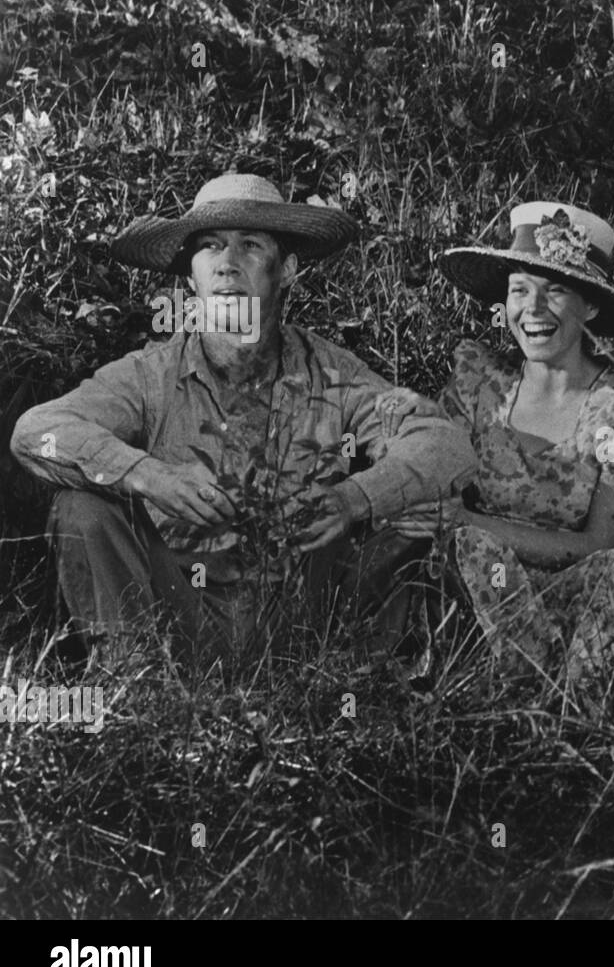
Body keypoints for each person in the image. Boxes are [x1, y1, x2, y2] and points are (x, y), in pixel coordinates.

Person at [9, 174, 477, 669]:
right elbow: (36, 430)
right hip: (176, 608)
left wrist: (353, 499)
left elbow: (446, 445)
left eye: (249, 246)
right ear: (191, 275)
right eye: (211, 247)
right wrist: (150, 476)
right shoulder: (150, 376)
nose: (228, 264)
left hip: (303, 612)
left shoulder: (335, 374)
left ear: (287, 269)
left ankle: (361, 676)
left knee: (421, 511)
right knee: (81, 507)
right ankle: (139, 683)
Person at [377, 202, 614, 714]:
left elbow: (600, 544)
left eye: (555, 291)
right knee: (470, 548)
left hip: (569, 600)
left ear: (590, 307)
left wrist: (470, 520)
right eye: (520, 289)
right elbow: (433, 472)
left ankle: (569, 703)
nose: (533, 309)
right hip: (473, 595)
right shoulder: (478, 382)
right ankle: (509, 695)